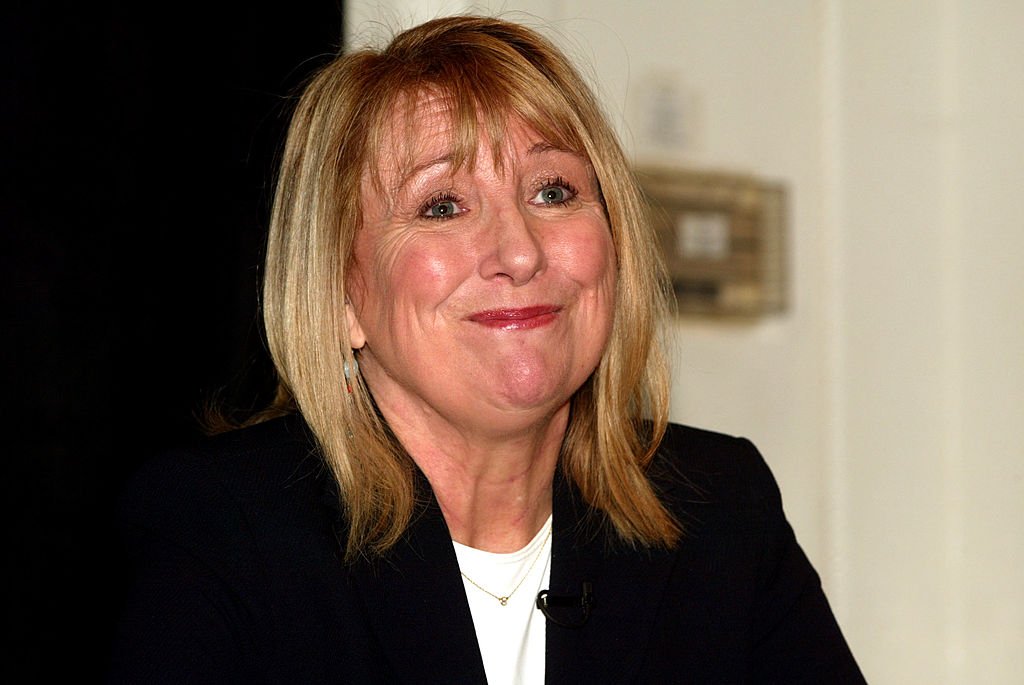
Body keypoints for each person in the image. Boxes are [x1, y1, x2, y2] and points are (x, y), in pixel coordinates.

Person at [109, 14, 865, 684]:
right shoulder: (221, 531)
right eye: (443, 205)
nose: (520, 250)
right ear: (342, 293)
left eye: (553, 192)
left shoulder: (721, 510)